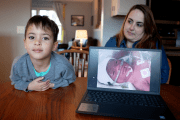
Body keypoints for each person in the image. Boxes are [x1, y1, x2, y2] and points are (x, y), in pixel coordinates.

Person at [10, 15, 76, 92]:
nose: (37, 42)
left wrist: (53, 84)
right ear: (25, 43)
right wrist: (29, 86)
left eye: (45, 38)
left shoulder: (63, 64)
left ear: (54, 45)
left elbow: (70, 79)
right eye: (32, 37)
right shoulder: (18, 63)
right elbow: (15, 81)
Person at [105, 4, 169, 84]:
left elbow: (163, 77)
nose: (131, 28)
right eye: (130, 21)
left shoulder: (154, 45)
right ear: (125, 21)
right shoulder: (112, 42)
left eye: (139, 24)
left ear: (146, 28)